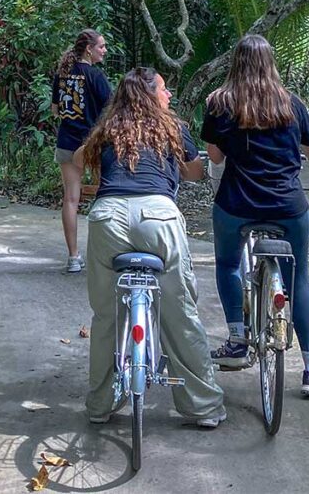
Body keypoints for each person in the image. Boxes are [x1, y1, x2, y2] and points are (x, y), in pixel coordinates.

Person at [76, 67, 226, 427]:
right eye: (163, 88)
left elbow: (80, 159)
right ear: (149, 94)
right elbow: (193, 173)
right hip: (159, 217)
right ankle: (202, 406)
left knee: (107, 316)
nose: (169, 95)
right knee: (179, 314)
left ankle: (100, 405)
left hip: (108, 217)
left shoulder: (109, 128)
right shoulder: (172, 127)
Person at [200, 34, 309, 397]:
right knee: (299, 280)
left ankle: (238, 340)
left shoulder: (219, 103)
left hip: (236, 204)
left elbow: (214, 158)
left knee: (228, 265)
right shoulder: (290, 104)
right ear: (270, 63)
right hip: (287, 206)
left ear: (235, 64)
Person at [51, 29, 111, 273]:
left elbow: (55, 110)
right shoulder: (95, 76)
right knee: (106, 195)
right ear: (89, 49)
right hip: (94, 143)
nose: (104, 50)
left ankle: (73, 256)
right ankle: (106, 255)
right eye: (101, 46)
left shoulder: (63, 74)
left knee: (71, 199)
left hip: (67, 141)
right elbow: (113, 108)